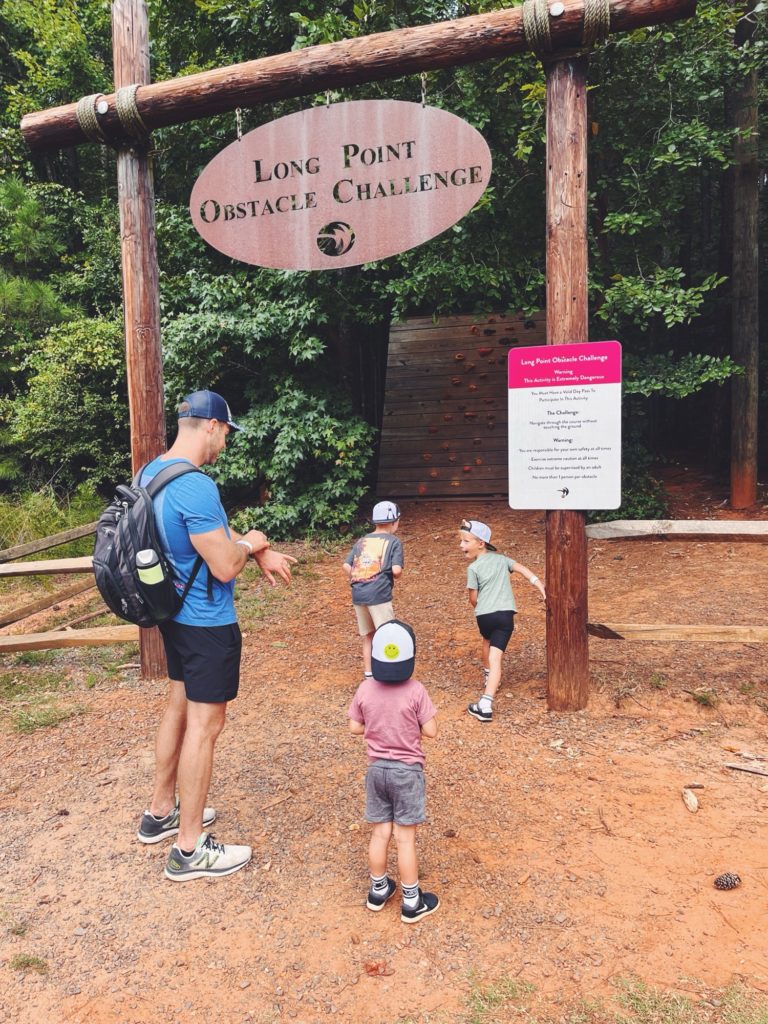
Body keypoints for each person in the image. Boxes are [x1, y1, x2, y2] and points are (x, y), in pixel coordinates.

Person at [135, 389, 297, 882]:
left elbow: (202, 541)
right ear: (210, 426)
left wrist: (249, 547)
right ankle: (189, 850)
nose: (226, 441)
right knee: (206, 726)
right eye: (226, 432)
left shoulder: (151, 473)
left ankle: (161, 812)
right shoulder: (196, 486)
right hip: (206, 621)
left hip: (173, 613)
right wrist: (255, 542)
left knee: (178, 703)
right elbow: (225, 564)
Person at [348, 620, 439, 923]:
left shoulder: (365, 688)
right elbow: (431, 730)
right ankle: (412, 901)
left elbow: (354, 726)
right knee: (405, 838)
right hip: (406, 773)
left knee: (380, 832)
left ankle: (378, 890)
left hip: (376, 772)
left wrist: (373, 724)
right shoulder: (416, 691)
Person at [459, 519, 545, 723]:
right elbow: (524, 571)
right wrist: (540, 587)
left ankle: (488, 676)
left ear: (481, 543)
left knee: (486, 640)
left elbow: (473, 598)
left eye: (465, 541)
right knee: (496, 656)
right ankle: (486, 703)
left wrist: (481, 608)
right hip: (505, 616)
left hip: (485, 616)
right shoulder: (502, 559)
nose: (461, 545)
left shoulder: (473, 568)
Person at [342, 500, 403, 681]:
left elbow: (346, 565)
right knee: (386, 634)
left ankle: (369, 675)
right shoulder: (394, 542)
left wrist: (361, 575)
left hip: (359, 594)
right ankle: (388, 673)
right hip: (379, 595)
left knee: (368, 635)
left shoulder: (363, 540)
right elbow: (396, 571)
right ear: (394, 522)